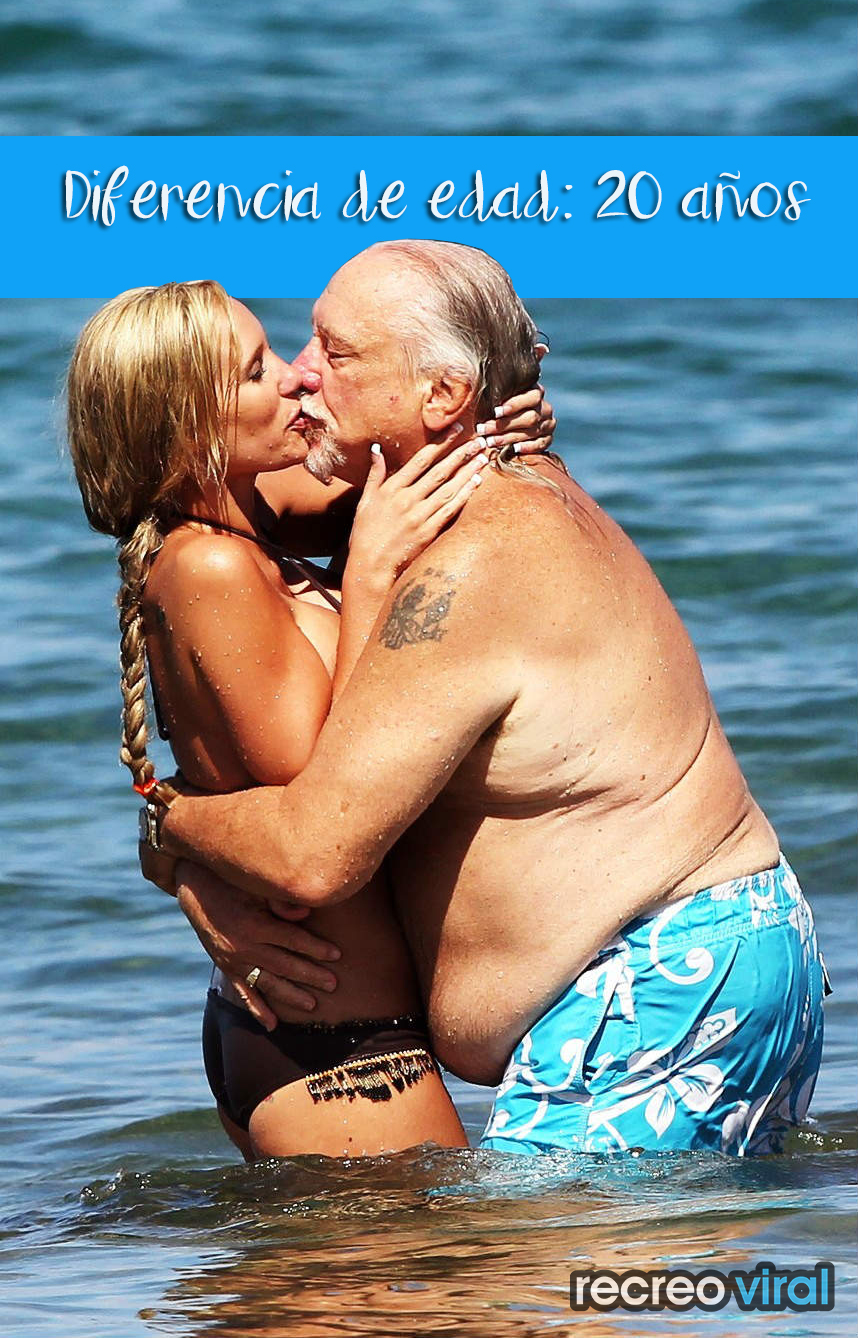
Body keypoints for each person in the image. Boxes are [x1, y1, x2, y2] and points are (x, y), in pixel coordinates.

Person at [148, 240, 827, 1158]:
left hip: (664, 981)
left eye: (336, 353)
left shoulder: (470, 559)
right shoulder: (457, 500)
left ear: (441, 395)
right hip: (701, 967)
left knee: (514, 1255)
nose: (302, 375)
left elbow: (314, 853)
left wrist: (170, 824)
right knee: (609, 1260)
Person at [67, 278, 555, 1160]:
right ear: (189, 429)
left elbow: (398, 478)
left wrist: (492, 426)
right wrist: (366, 572)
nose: (297, 377)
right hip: (341, 1049)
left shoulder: (252, 518)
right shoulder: (209, 566)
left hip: (321, 1031)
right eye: (257, 371)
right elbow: (319, 779)